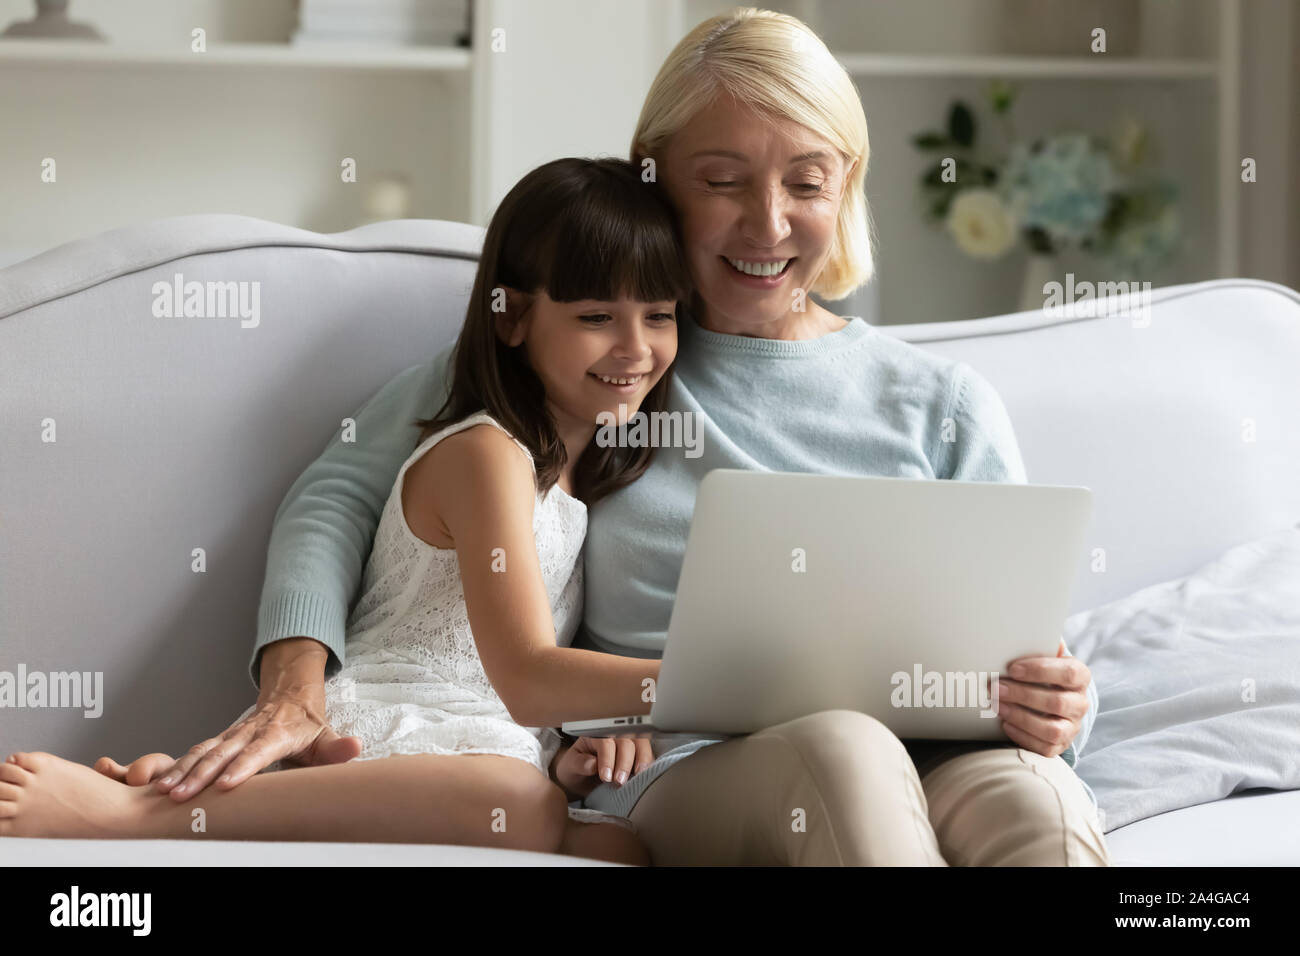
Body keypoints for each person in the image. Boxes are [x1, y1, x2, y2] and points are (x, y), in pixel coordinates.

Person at [68, 8, 1107, 866]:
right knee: (842, 750)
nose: (768, 223)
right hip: (691, 763)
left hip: (936, 743)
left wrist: (1056, 703)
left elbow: (1024, 640)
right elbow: (339, 489)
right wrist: (293, 686)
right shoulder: (594, 356)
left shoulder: (942, 401)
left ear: (847, 186)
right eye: (721, 179)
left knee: (1035, 806)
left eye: (806, 179)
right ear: (649, 178)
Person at [0, 157, 696, 865]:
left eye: (660, 316)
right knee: (513, 804)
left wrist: (581, 748)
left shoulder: (576, 486)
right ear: (511, 317)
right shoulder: (487, 454)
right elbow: (525, 676)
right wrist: (715, 688)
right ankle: (133, 814)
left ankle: (207, 792)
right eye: (596, 317)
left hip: (491, 749)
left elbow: (504, 706)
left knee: (621, 848)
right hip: (392, 727)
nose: (636, 349)